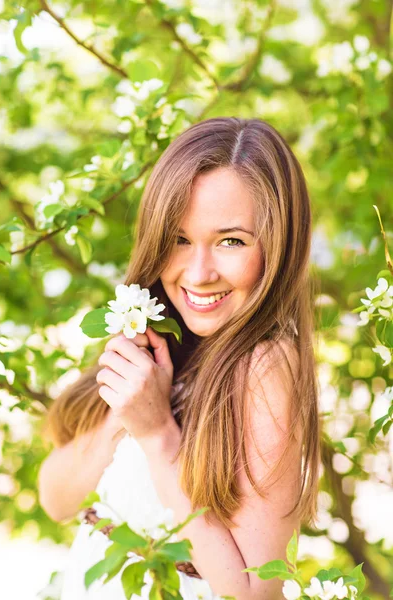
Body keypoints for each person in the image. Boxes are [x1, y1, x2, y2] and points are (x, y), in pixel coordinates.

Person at [38, 117, 321, 600]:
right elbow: (56, 499)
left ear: (277, 246)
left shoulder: (266, 366)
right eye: (179, 238)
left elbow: (253, 592)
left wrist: (157, 435)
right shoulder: (159, 332)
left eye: (231, 240)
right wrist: (122, 416)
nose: (198, 271)